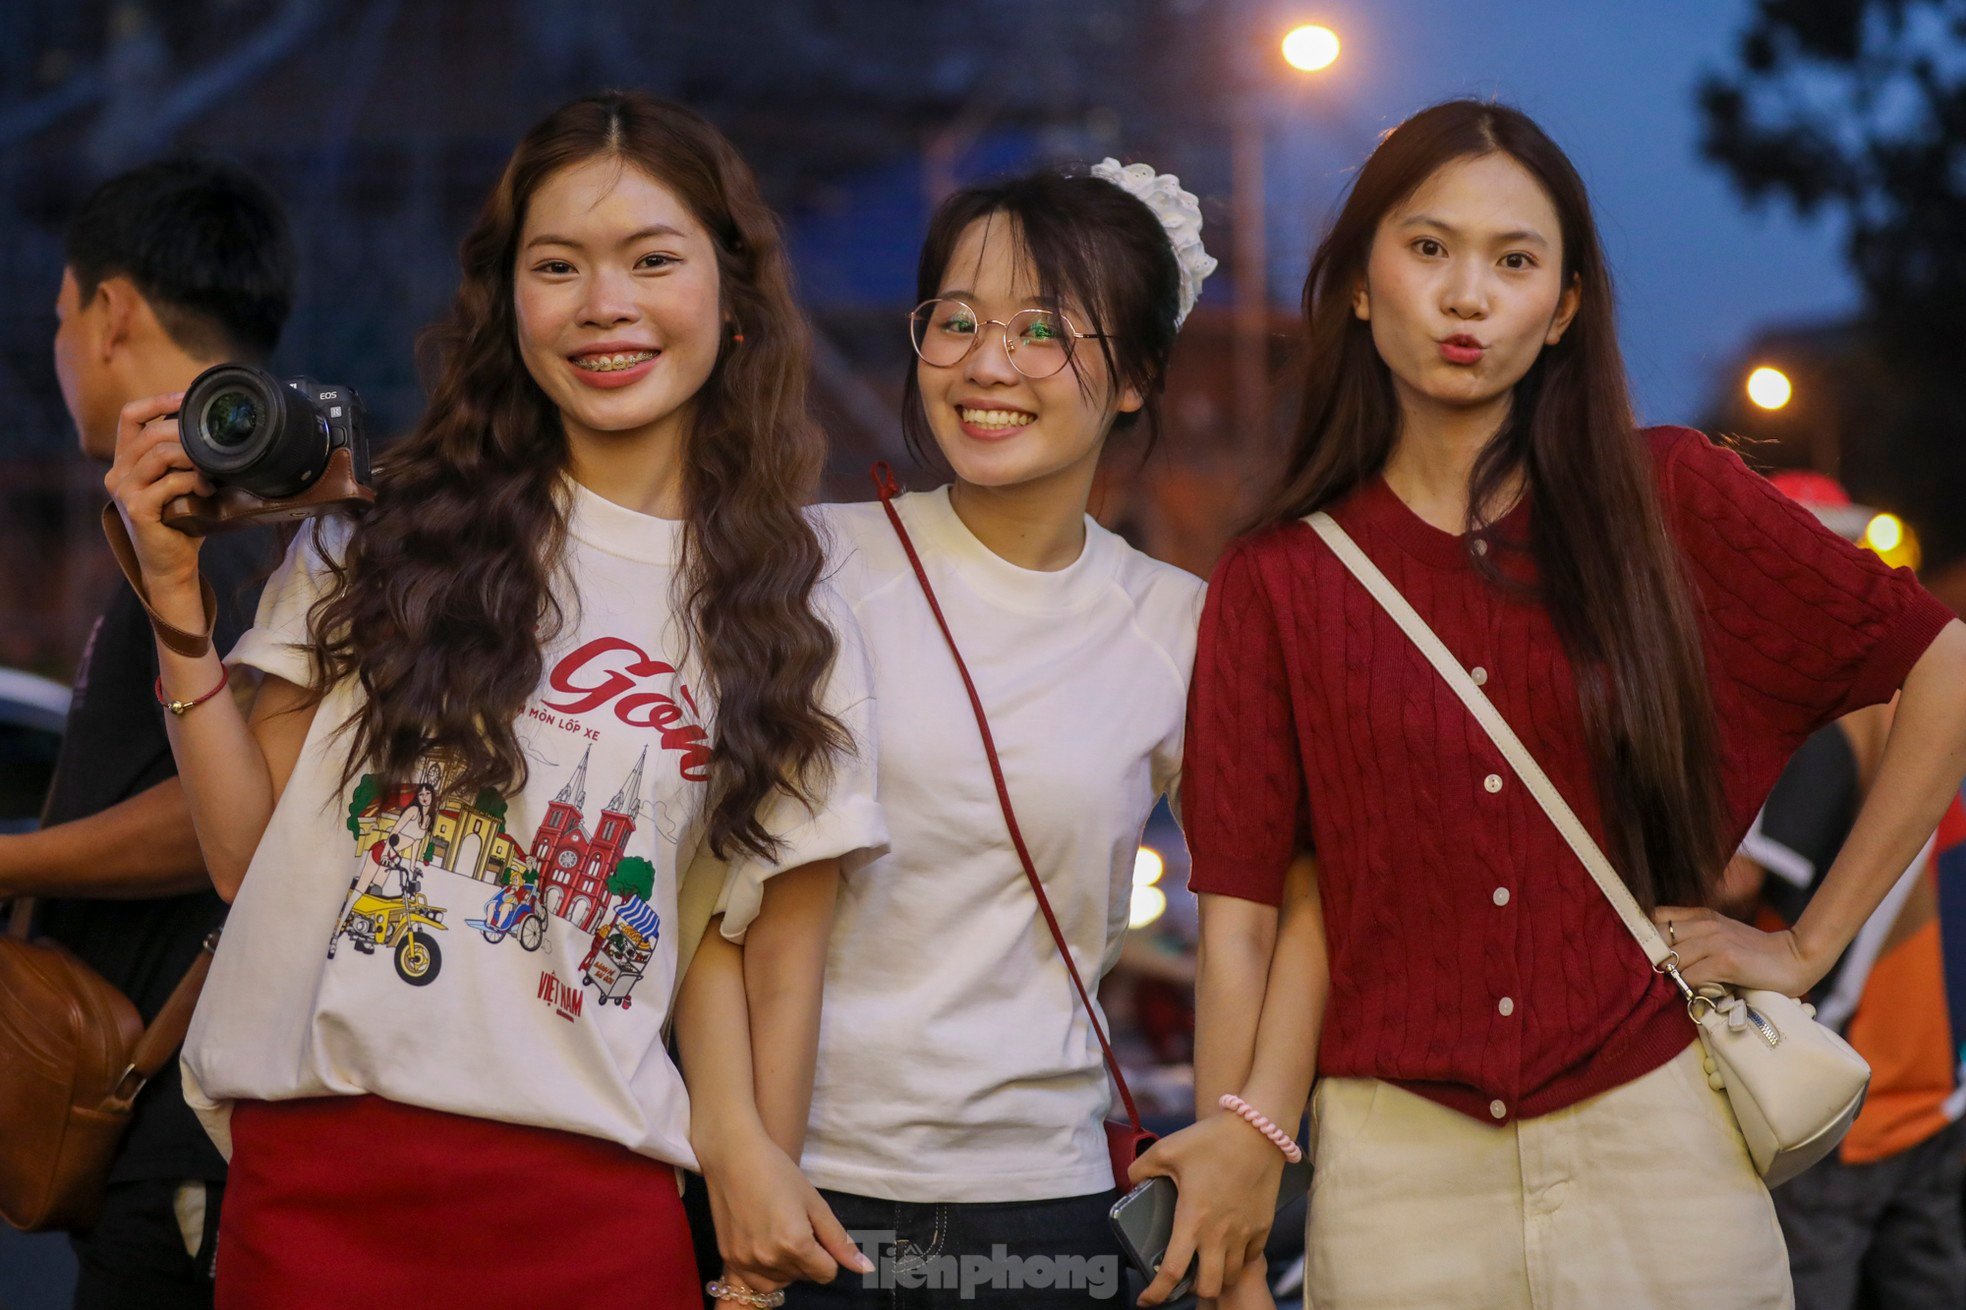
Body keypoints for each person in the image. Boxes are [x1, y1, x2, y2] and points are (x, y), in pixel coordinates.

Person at [1137, 99, 1966, 1309]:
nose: (1467, 295)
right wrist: (1238, 1170)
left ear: (1563, 306)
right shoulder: (1279, 581)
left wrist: (1804, 943)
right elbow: (1246, 919)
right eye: (1428, 249)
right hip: (1396, 1172)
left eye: (1514, 260)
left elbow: (1937, 660)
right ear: (1361, 284)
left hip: (1662, 1148)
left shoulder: (1666, 495)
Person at [102, 91, 884, 1309]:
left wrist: (753, 1233)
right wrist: (175, 603)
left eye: (652, 260)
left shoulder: (791, 604)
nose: (603, 305)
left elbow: (774, 948)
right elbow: (244, 858)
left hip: (594, 1212)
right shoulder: (387, 531)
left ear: (731, 299)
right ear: (507, 300)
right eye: (557, 264)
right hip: (319, 1188)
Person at [686, 159, 1214, 1308]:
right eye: (957, 321)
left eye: (1043, 330)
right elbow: (702, 898)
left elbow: (1271, 898)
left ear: (1134, 375)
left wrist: (1241, 1126)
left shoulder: (1175, 625)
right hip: (797, 1190)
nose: (988, 363)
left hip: (1044, 1207)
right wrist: (736, 1147)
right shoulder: (808, 564)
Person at [0, 156, 293, 1310]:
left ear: (111, 310)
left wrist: (10, 859)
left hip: (186, 1122)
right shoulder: (232, 498)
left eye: (59, 314)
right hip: (147, 1110)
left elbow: (234, 814)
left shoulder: (232, 510)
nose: (59, 345)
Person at [1726, 472, 1966, 1310]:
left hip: (1838, 1092)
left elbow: (1749, 877)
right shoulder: (1912, 695)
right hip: (1932, 1080)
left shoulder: (1826, 703)